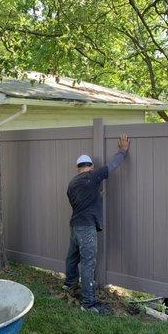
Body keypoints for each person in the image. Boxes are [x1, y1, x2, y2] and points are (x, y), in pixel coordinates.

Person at [63, 133, 130, 313]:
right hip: (86, 228)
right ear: (90, 167)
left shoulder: (71, 184)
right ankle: (88, 302)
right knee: (88, 263)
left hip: (75, 226)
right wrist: (123, 151)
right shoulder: (92, 176)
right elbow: (112, 165)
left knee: (72, 257)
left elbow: (78, 201)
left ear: (78, 168)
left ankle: (69, 284)